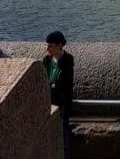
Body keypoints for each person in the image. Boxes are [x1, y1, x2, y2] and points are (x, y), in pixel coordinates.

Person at [43, 31, 74, 159]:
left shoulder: (68, 60)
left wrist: (53, 85)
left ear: (59, 45)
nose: (48, 49)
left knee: (62, 138)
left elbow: (66, 83)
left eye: (51, 46)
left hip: (62, 105)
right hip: (49, 104)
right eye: (47, 45)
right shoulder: (46, 60)